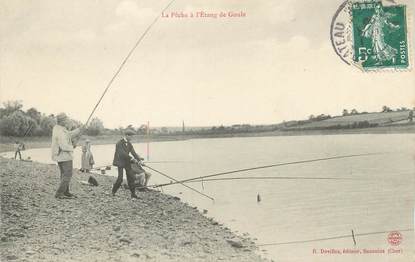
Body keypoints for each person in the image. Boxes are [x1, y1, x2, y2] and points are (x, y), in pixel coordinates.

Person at [51, 113, 84, 199]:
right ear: (62, 121)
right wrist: (72, 147)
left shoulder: (58, 128)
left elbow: (69, 134)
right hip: (64, 156)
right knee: (67, 174)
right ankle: (59, 193)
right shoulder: (60, 131)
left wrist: (79, 130)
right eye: (66, 120)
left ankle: (66, 192)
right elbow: (64, 146)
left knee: (64, 174)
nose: (67, 121)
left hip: (60, 156)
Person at [112, 129, 143, 199]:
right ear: (126, 135)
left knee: (131, 178)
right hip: (120, 162)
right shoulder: (119, 143)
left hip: (127, 162)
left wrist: (139, 160)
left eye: (132, 136)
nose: (132, 138)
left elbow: (134, 153)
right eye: (131, 136)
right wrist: (132, 159)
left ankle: (133, 194)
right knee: (120, 179)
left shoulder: (129, 144)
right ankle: (113, 192)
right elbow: (122, 154)